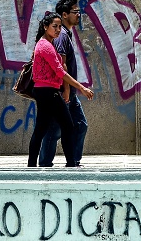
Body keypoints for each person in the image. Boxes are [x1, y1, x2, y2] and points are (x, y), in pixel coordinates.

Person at [28, 12, 94, 167]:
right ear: (45, 27)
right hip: (48, 92)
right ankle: (71, 163)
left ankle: (31, 165)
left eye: (59, 27)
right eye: (54, 27)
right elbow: (60, 71)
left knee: (41, 129)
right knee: (67, 125)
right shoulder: (45, 45)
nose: (58, 30)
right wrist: (81, 88)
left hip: (45, 91)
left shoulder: (46, 44)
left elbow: (60, 67)